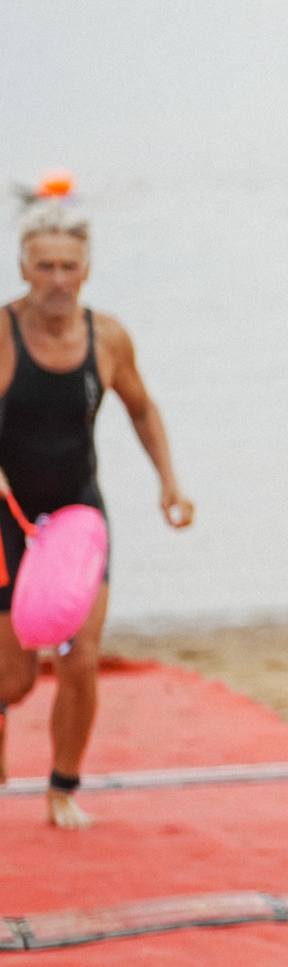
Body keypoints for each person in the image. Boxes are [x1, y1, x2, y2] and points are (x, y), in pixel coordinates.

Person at [0, 203, 195, 829]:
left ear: (86, 271)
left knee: (80, 655)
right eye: (44, 266)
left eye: (69, 266)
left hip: (79, 512)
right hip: (8, 513)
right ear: (23, 268)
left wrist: (168, 482)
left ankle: (62, 787)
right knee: (15, 676)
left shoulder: (107, 336)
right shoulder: (2, 334)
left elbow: (141, 408)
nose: (57, 278)